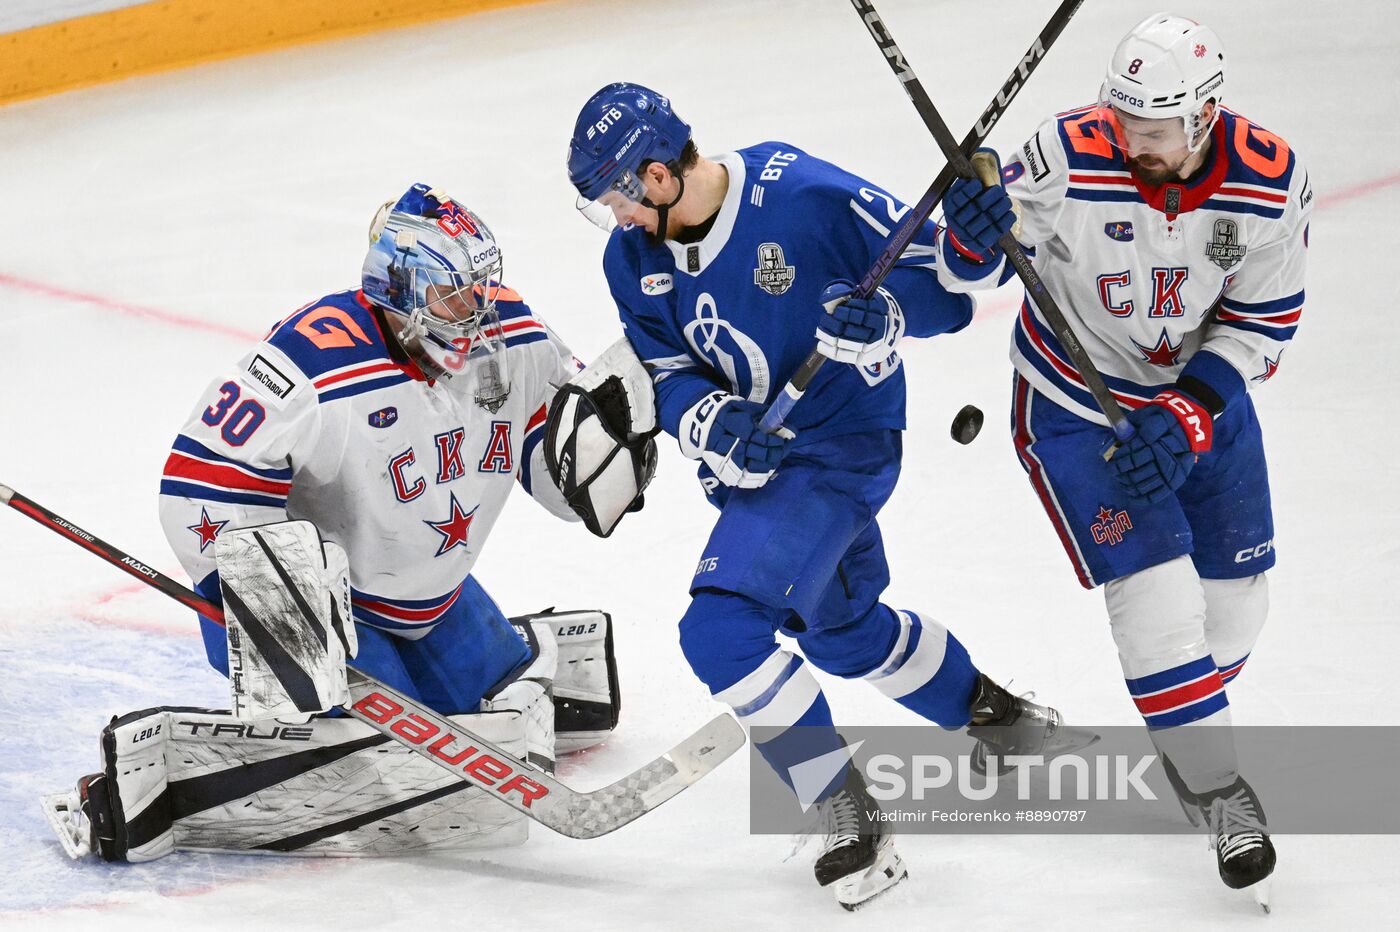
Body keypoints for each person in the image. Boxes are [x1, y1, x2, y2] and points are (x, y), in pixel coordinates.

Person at [565, 82, 1091, 910]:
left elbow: (949, 292)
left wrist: (883, 316)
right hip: (766, 471)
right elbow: (665, 370)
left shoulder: (803, 195)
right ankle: (1004, 720)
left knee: (722, 631)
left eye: (618, 199)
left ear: (658, 176)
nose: (617, 219)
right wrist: (708, 421)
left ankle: (844, 807)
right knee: (843, 632)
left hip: (842, 449)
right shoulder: (630, 260)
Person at [97, 183, 636, 859]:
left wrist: (601, 455)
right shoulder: (314, 360)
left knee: (494, 712)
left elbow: (554, 455)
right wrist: (276, 610)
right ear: (401, 290)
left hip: (422, 595)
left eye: (479, 286)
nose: (476, 310)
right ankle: (167, 774)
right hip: (317, 607)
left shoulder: (511, 337)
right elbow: (197, 484)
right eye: (453, 293)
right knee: (397, 766)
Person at [937, 13, 1310, 904]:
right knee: (1159, 608)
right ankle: (1223, 795)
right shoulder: (1067, 152)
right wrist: (972, 227)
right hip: (1074, 405)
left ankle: (1184, 724)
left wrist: (1189, 411)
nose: (1132, 137)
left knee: (1236, 615)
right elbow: (968, 274)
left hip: (1198, 403)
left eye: (1154, 127)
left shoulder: (1269, 179)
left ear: (1205, 117)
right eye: (1125, 119)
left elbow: (1263, 323)